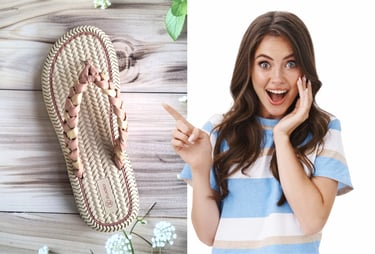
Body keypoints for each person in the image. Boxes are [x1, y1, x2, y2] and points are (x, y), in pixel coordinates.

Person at [163, 10, 353, 254]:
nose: (277, 78)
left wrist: (282, 137)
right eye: (265, 64)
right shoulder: (218, 130)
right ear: (249, 69)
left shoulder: (325, 129)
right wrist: (200, 167)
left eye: (291, 63)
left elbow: (312, 220)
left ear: (304, 70)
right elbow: (208, 235)